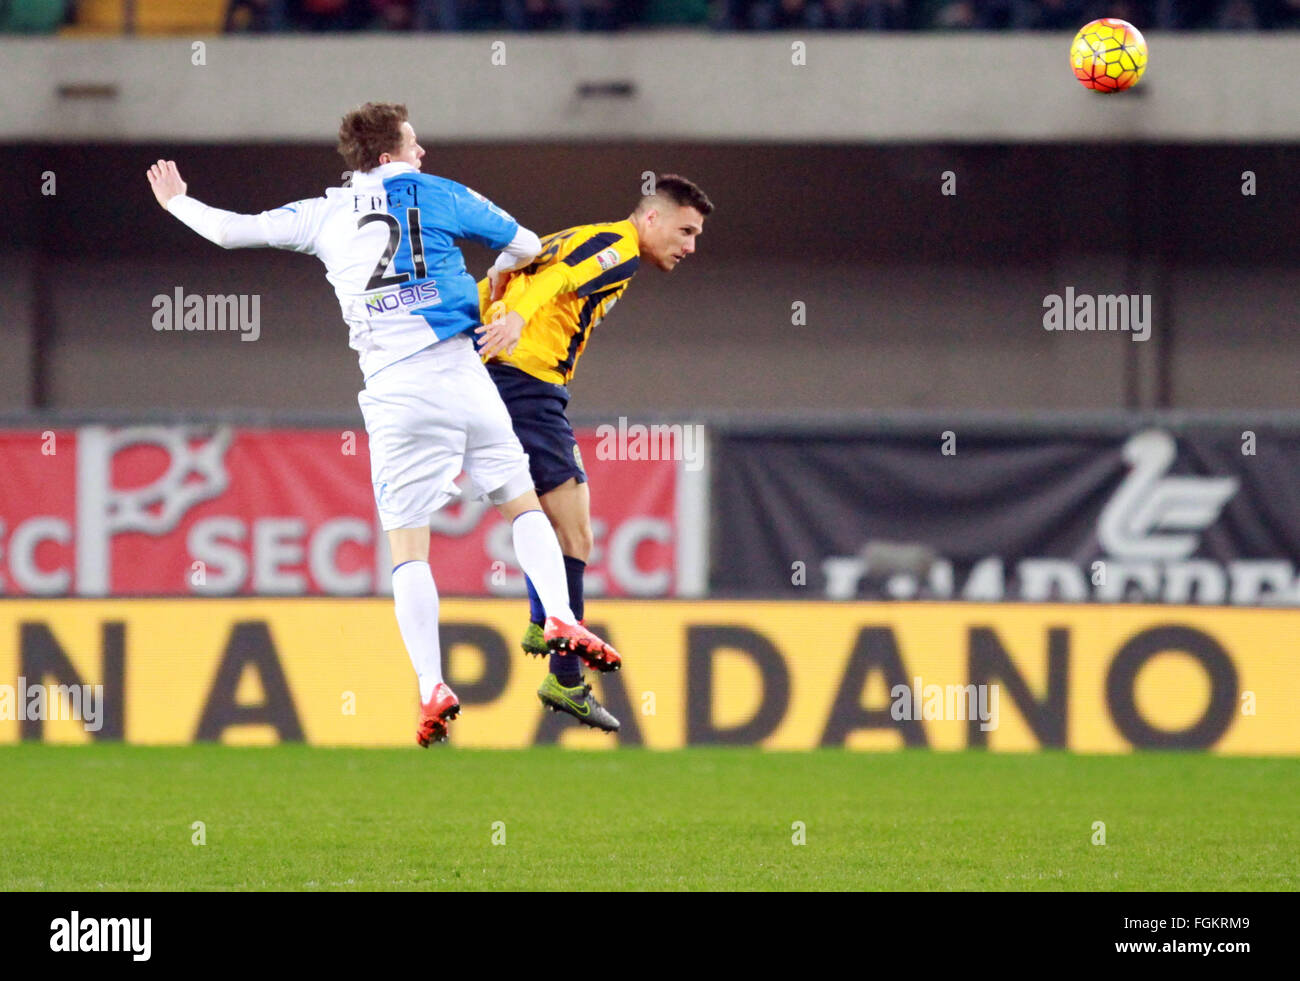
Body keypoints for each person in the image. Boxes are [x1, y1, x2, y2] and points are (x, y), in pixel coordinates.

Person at [145, 101, 619, 747]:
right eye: (415, 143)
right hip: (464, 365)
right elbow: (530, 245)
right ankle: (560, 614)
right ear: (393, 153)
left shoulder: (322, 212)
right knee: (520, 503)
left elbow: (232, 232)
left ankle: (431, 685)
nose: (423, 152)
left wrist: (177, 202)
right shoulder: (443, 193)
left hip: (395, 388)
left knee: (408, 547)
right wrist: (501, 281)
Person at [475, 174, 712, 730]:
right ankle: (560, 665)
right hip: (527, 385)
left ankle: (550, 633)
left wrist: (484, 323)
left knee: (541, 515)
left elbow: (505, 272)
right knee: (574, 531)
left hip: (504, 379)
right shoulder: (618, 249)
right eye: (686, 230)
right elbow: (552, 279)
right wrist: (513, 320)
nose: (691, 246)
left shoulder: (576, 235)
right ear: (651, 218)